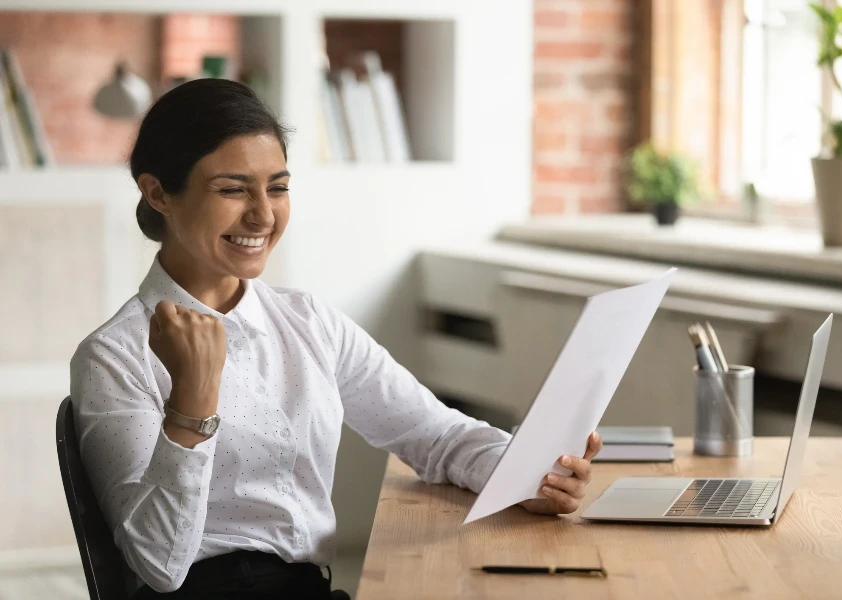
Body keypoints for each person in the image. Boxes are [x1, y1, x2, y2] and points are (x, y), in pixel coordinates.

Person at [69, 79, 602, 599]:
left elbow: (435, 435)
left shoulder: (309, 322)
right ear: (158, 192)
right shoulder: (114, 356)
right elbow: (158, 565)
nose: (263, 214)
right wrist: (192, 403)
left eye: (277, 187)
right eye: (232, 189)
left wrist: (530, 473)